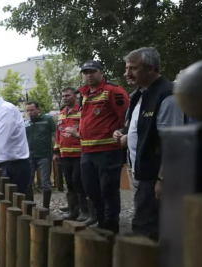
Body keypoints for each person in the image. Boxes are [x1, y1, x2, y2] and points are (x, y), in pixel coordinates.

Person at [113, 47, 184, 240]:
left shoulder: (167, 96)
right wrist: (124, 134)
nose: (126, 73)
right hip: (140, 173)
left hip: (155, 178)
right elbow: (138, 127)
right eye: (126, 68)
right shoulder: (138, 94)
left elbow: (173, 142)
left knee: (146, 230)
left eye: (132, 69)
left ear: (150, 68)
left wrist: (162, 180)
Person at [64, 60, 130, 233]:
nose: (88, 75)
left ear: (101, 72)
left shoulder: (113, 91)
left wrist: (122, 133)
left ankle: (111, 228)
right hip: (87, 152)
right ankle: (101, 224)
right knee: (91, 191)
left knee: (108, 192)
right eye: (85, 72)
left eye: (92, 71)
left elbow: (127, 117)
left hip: (108, 152)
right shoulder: (84, 94)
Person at [54, 87, 90, 221]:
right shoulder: (62, 113)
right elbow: (58, 134)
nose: (64, 98)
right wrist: (56, 151)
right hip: (65, 155)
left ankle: (85, 210)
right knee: (69, 183)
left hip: (79, 154)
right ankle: (73, 209)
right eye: (63, 96)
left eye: (67, 95)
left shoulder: (81, 112)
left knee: (79, 182)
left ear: (75, 96)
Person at [24, 101, 56, 208]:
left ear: (38, 109)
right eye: (27, 110)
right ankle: (30, 207)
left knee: (45, 181)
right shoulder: (25, 122)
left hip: (44, 155)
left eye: (32, 110)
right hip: (29, 156)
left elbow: (55, 135)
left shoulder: (47, 120)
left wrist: (56, 150)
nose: (29, 112)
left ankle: (45, 208)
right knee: (28, 181)